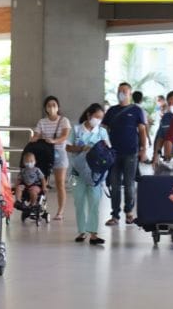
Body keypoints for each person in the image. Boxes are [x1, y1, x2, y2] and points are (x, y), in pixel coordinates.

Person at [102, 82, 147, 226]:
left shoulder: (136, 110)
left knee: (129, 185)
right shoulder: (112, 111)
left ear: (130, 93)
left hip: (131, 153)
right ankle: (115, 215)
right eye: (119, 90)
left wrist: (143, 149)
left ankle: (129, 213)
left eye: (124, 91)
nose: (121, 93)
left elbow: (142, 131)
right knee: (114, 185)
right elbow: (103, 129)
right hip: (113, 154)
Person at [67, 103, 109, 245]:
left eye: (100, 118)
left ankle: (93, 234)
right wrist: (81, 148)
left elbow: (108, 150)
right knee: (79, 201)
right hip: (77, 172)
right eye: (96, 116)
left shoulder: (102, 132)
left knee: (95, 202)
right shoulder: (77, 130)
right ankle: (81, 232)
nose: (98, 120)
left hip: (95, 175)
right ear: (88, 115)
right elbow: (67, 146)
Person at [31, 95, 71, 220]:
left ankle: (60, 211)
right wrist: (35, 138)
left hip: (59, 154)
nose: (52, 107)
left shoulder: (64, 120)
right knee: (43, 182)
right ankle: (40, 207)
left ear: (58, 107)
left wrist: (54, 141)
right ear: (46, 108)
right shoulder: (42, 122)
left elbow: (65, 136)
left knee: (60, 183)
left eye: (54, 105)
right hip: (45, 154)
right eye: (49, 105)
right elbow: (37, 135)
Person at [152, 90, 173, 166]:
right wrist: (155, 158)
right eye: (169, 104)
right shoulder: (166, 117)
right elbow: (160, 138)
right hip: (170, 158)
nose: (171, 106)